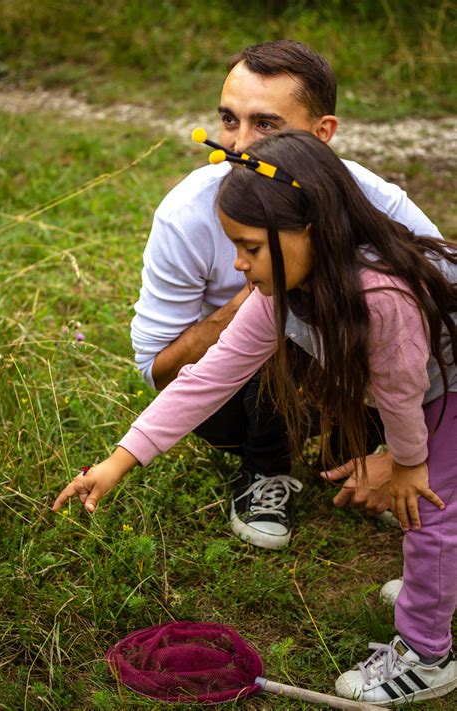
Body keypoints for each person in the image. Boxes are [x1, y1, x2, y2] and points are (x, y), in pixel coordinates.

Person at [54, 130, 456, 705]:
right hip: (427, 388)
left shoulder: (380, 296)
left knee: (428, 509)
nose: (239, 265)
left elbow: (402, 394)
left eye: (250, 247)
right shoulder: (280, 292)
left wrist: (407, 463)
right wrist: (119, 461)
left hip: (445, 386)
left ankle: (427, 652)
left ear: (309, 229)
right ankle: (434, 586)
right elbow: (209, 377)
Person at [130, 39, 442, 549]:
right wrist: (242, 308)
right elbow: (158, 371)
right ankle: (263, 472)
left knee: (348, 319)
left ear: (322, 135)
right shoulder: (185, 214)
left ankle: (368, 453)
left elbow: (438, 339)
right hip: (240, 390)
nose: (237, 146)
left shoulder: (379, 205)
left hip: (372, 377)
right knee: (280, 324)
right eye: (229, 121)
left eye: (267, 125)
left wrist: (402, 457)